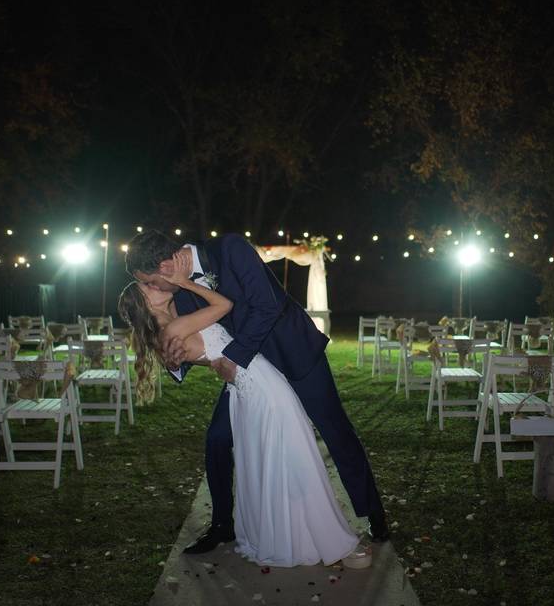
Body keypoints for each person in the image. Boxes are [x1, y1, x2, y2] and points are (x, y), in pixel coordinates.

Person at [123, 230, 388, 556]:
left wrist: (233, 358)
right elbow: (183, 336)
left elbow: (267, 305)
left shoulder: (230, 249)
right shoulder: (177, 294)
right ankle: (222, 524)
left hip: (293, 354)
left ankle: (373, 513)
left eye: (150, 281)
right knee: (217, 439)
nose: (154, 289)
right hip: (249, 375)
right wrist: (175, 362)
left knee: (336, 431)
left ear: (164, 267)